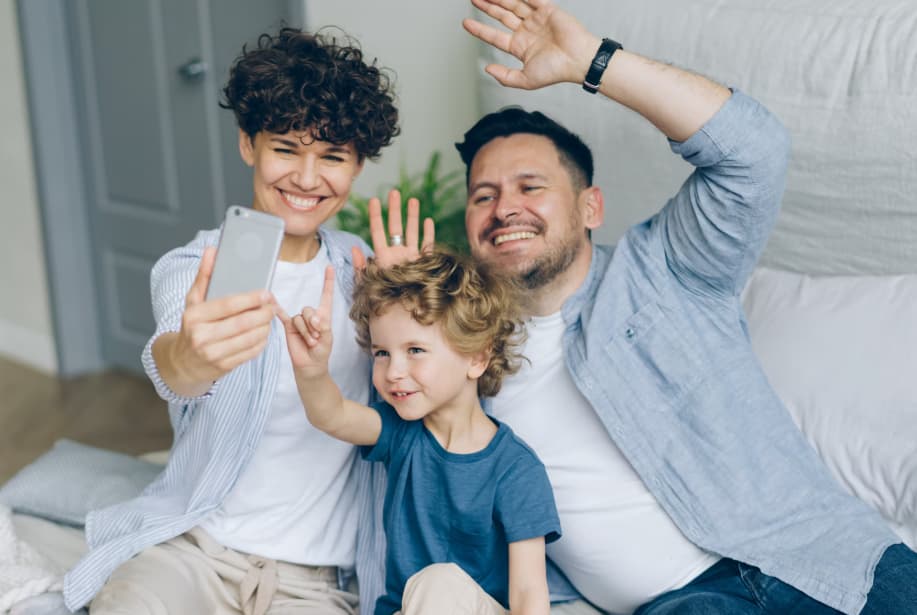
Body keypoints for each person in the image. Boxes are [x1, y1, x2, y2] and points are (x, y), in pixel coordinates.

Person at [372, 0, 917, 614]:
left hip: (819, 561)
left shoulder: (668, 268)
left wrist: (591, 62)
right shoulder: (466, 356)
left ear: (590, 208)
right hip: (681, 606)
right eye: (484, 195)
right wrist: (408, 311)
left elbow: (754, 153)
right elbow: (404, 447)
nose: (504, 209)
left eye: (531, 187)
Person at [62, 27, 423, 614]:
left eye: (331, 157)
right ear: (248, 144)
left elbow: (425, 409)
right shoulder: (192, 268)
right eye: (286, 149)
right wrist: (190, 357)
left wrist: (413, 310)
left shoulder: (367, 271)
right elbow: (174, 367)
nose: (307, 180)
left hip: (320, 579)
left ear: (357, 166)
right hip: (195, 549)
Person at [283, 250, 561, 615]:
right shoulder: (403, 433)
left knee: (440, 582)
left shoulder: (516, 470)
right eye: (382, 353)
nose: (394, 370)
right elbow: (332, 415)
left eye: (415, 350)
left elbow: (528, 595)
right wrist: (312, 372)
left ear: (476, 358)